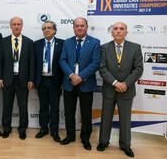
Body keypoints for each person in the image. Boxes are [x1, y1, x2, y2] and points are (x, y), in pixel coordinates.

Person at [97, 22, 143, 157]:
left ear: (126, 32)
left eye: (121, 29)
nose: (118, 31)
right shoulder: (104, 48)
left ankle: (125, 145)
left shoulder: (135, 48)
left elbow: (138, 69)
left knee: (125, 119)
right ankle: (103, 142)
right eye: (115, 29)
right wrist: (116, 83)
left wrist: (126, 84)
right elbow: (102, 69)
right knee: (106, 117)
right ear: (111, 32)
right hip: (109, 89)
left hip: (126, 91)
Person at [59, 17, 100, 150]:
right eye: (77, 26)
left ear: (86, 27)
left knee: (86, 113)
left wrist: (80, 76)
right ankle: (70, 136)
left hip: (86, 84)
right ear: (73, 28)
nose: (79, 28)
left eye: (82, 25)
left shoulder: (94, 42)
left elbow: (95, 63)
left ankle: (85, 138)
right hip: (69, 83)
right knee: (69, 112)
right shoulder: (67, 42)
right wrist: (71, 75)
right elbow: (62, 60)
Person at [0, 17, 34, 140]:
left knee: (23, 107)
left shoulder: (29, 42)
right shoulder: (3, 41)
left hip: (23, 80)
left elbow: (31, 63)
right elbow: (0, 61)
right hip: (7, 79)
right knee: (7, 106)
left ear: (22, 26)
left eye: (19, 24)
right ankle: (6, 128)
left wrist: (31, 79)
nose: (16, 26)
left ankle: (22, 129)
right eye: (14, 24)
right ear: (10, 26)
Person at [34, 21, 64, 142]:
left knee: (55, 107)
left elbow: (64, 63)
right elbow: (33, 64)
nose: (46, 30)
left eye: (49, 28)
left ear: (55, 30)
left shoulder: (62, 44)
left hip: (55, 81)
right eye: (44, 28)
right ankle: (43, 129)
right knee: (43, 106)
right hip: (41, 80)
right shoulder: (36, 44)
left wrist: (63, 81)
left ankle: (55, 131)